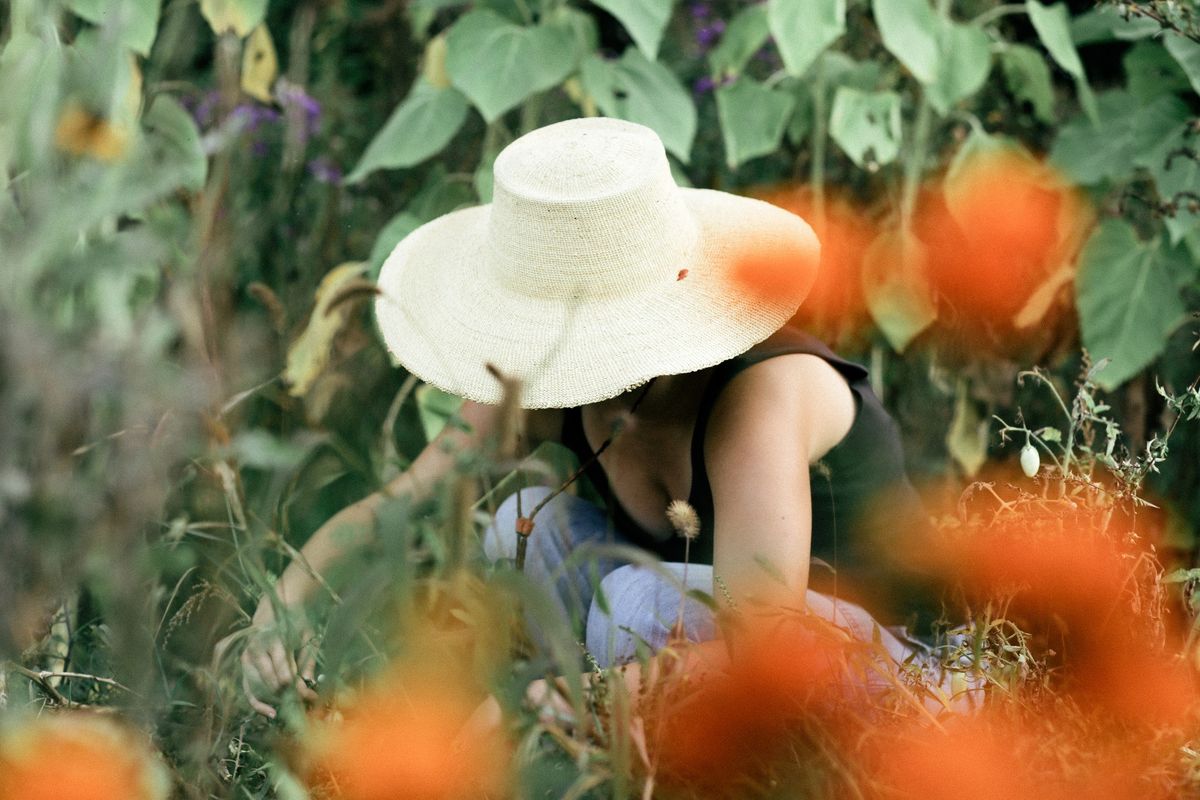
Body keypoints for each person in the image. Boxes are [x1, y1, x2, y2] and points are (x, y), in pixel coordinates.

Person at [240, 117, 938, 718]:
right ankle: (607, 748)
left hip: (893, 671)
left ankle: (597, 730)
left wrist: (575, 698)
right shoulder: (547, 381)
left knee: (628, 605)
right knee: (532, 522)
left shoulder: (757, 399)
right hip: (680, 644)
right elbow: (399, 507)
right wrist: (279, 613)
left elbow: (765, 649)